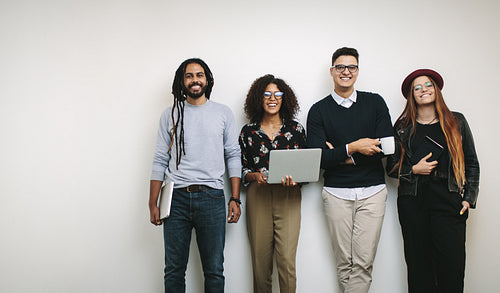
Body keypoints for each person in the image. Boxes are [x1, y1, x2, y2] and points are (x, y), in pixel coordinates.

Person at [148, 58, 242, 293]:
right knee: (173, 270)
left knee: (213, 270)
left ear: (208, 80)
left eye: (199, 75)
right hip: (175, 198)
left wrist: (235, 198)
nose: (194, 80)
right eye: (189, 76)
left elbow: (233, 155)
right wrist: (153, 202)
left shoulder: (223, 113)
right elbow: (160, 158)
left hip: (211, 198)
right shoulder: (170, 115)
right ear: (182, 81)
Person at [306, 47, 393, 293]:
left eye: (351, 67)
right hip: (336, 193)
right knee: (344, 263)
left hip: (373, 192)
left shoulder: (374, 102)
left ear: (358, 71)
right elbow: (318, 158)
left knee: (363, 263)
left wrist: (340, 153)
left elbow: (386, 146)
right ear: (332, 71)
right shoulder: (319, 110)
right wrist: (355, 147)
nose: (346, 72)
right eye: (341, 67)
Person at [386, 69, 480, 293]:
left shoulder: (456, 121)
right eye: (417, 88)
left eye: (428, 85)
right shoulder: (401, 127)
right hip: (413, 203)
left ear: (436, 89)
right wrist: (413, 169)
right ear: (411, 96)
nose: (423, 90)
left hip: (448, 201)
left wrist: (468, 198)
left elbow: (471, 162)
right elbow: (390, 167)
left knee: (452, 267)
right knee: (419, 268)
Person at [239, 74, 306, 293]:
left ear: (284, 99)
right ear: (259, 98)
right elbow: (241, 170)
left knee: (287, 262)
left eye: (277, 94)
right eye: (267, 94)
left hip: (289, 196)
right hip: (259, 196)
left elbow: (307, 167)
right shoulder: (248, 132)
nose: (272, 98)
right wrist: (254, 176)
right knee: (260, 264)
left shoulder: (296, 130)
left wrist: (296, 179)